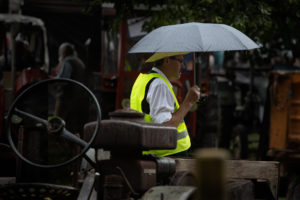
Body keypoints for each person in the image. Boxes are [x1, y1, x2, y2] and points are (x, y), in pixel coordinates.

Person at [130, 52, 201, 157]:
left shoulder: (144, 79)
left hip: (156, 155)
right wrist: (188, 102)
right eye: (180, 61)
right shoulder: (159, 85)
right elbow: (165, 128)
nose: (183, 66)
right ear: (166, 60)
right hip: (168, 156)